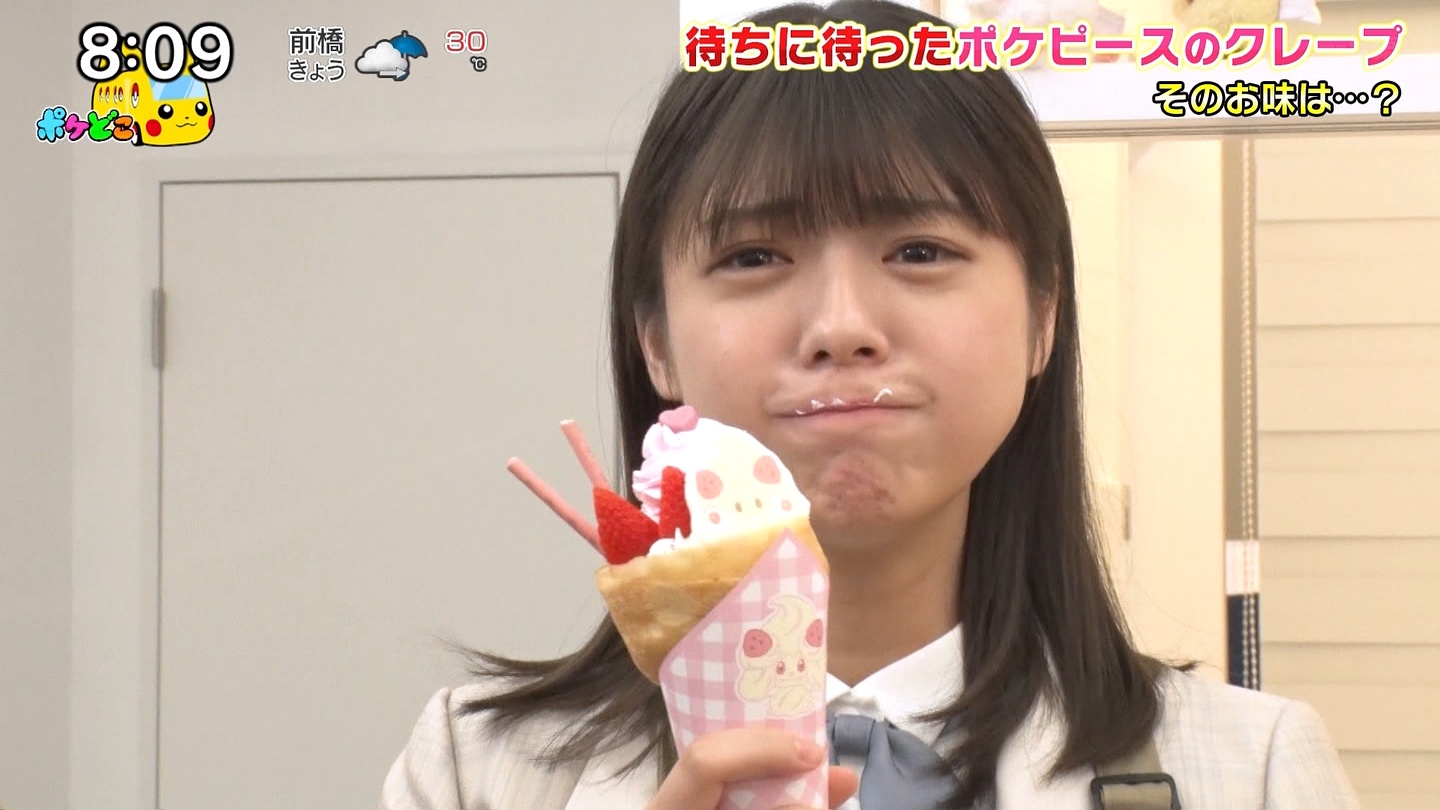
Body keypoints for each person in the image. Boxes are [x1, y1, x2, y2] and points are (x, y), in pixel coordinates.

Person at [379, 1, 1360, 808]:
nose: (841, 326)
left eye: (919, 251)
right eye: (754, 257)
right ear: (656, 342)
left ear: (1042, 318)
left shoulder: (1254, 771)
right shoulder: (475, 772)